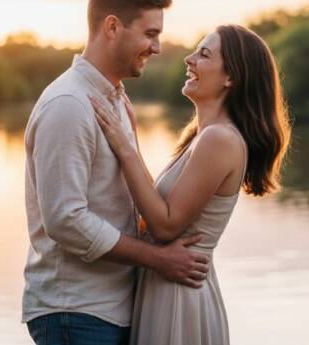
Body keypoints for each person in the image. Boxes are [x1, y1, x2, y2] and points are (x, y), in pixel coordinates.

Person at [22, 0, 210, 345]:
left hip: (107, 309)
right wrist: (158, 259)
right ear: (112, 27)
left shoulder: (115, 101)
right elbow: (65, 219)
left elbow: (113, 203)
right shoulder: (69, 105)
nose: (157, 47)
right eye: (150, 34)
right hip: (75, 313)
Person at [90, 24, 291, 345]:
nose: (189, 58)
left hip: (178, 297)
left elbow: (166, 226)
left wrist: (124, 146)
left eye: (204, 54)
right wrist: (129, 136)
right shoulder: (202, 136)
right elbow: (157, 208)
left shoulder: (220, 139)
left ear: (231, 78)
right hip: (167, 287)